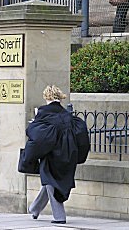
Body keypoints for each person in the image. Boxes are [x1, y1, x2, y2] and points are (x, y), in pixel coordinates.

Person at [22, 85, 79, 224]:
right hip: (68, 153)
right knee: (49, 182)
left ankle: (60, 216)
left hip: (51, 154)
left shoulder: (43, 113)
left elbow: (37, 135)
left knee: (50, 181)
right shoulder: (67, 114)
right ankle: (35, 209)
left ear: (47, 97)